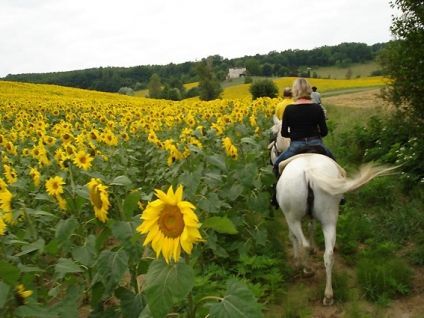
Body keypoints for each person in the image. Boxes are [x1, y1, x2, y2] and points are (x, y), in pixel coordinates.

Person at [273, 78, 335, 176]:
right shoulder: (317, 108)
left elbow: (284, 133)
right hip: (317, 144)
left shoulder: (289, 109)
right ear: (309, 90)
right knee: (334, 163)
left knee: (276, 165)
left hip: (296, 146)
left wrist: (294, 135)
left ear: (294, 91)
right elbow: (324, 132)